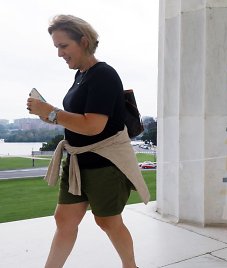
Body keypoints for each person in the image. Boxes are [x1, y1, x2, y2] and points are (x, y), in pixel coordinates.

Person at [26, 14, 149, 268]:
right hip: (77, 163)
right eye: (56, 47)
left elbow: (94, 125)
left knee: (108, 222)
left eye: (63, 46)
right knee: (64, 220)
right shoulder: (81, 75)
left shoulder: (103, 75)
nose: (60, 54)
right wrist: (50, 116)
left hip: (104, 164)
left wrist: (51, 112)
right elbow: (78, 118)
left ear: (83, 41)